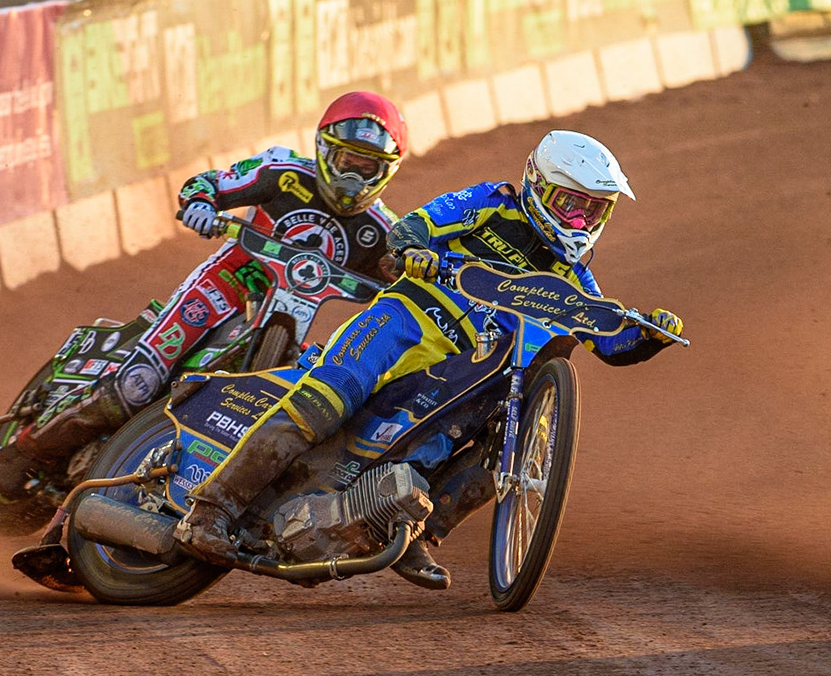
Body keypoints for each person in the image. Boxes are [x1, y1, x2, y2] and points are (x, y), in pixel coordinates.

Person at [171, 130, 684, 589]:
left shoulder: (573, 280)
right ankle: (210, 510)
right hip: (407, 319)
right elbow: (416, 224)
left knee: (508, 437)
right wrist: (417, 248)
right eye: (571, 205)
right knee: (327, 400)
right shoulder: (492, 202)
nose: (581, 221)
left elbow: (610, 342)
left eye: (594, 211)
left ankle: (413, 527)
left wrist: (651, 334)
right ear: (537, 185)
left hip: (460, 371)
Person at [0, 91, 408, 498]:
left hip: (293, 322)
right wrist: (202, 204)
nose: (353, 175)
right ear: (324, 148)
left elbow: (404, 281)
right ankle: (20, 454)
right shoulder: (284, 174)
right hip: (227, 284)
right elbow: (209, 183)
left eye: (367, 167)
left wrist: (419, 275)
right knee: (137, 383)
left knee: (292, 406)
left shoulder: (383, 231)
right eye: (348, 159)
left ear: (387, 170)